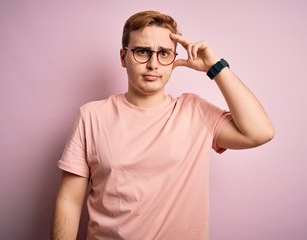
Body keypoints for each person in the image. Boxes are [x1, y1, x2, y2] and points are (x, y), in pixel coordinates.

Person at [51, 10, 274, 240]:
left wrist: (214, 66)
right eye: (142, 52)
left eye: (164, 53)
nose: (153, 64)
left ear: (174, 58)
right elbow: (69, 201)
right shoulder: (91, 116)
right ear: (122, 57)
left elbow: (260, 132)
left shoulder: (195, 111)